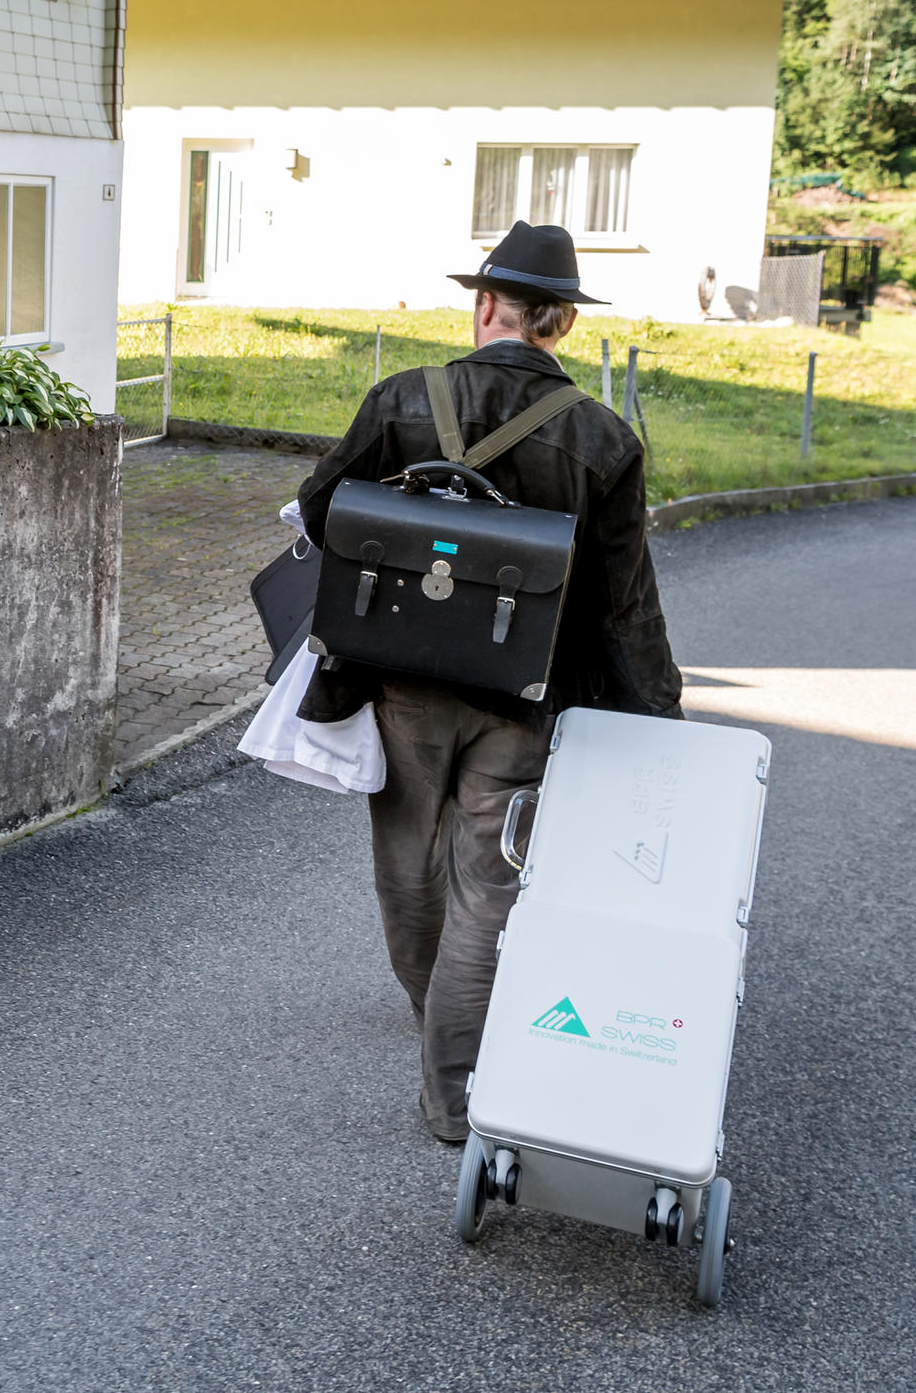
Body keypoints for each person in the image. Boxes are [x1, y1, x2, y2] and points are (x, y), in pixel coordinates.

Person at [293, 220, 684, 1144]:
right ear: (562, 326)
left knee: (406, 865)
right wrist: (659, 712)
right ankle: (454, 1093)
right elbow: (621, 600)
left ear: (484, 306)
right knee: (487, 886)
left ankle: (434, 1007)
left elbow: (321, 508)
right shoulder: (603, 438)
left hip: (404, 684)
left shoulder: (400, 400)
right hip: (524, 695)